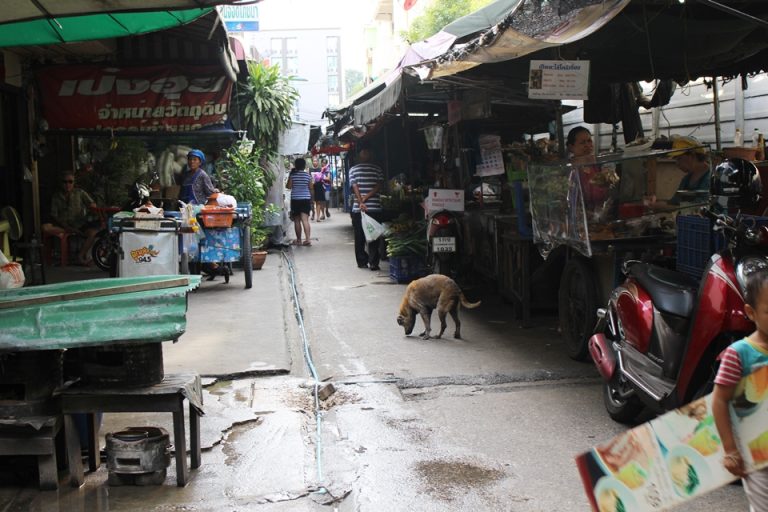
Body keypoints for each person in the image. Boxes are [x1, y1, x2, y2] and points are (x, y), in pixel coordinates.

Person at [712, 264, 768, 511]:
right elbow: (719, 400)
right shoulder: (739, 354)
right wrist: (730, 450)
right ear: (751, 312)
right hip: (758, 456)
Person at [43, 171, 99, 265]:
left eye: (70, 182)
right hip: (63, 225)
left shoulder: (80, 192)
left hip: (79, 224)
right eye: (65, 182)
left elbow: (92, 204)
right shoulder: (56, 196)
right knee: (45, 227)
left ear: (74, 183)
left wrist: (92, 208)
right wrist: (66, 226)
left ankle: (81, 256)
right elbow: (54, 215)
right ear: (61, 183)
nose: (67, 184)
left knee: (93, 233)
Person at [349, 148, 385, 270]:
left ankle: (362, 261)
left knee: (359, 236)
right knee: (373, 235)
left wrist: (361, 201)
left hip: (358, 209)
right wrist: (365, 198)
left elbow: (355, 187)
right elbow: (378, 186)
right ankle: (373, 262)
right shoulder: (378, 169)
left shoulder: (353, 170)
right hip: (374, 207)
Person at [567, 126, 609, 210]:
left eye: (589, 141)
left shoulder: (597, 166)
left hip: (600, 211)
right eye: (582, 142)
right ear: (571, 147)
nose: (587, 145)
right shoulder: (571, 170)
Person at [286, 158, 312, 246]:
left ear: (296, 165)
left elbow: (288, 186)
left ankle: (299, 240)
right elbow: (311, 187)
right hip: (306, 199)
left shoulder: (293, 175)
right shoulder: (307, 175)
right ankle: (308, 239)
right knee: (305, 220)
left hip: (295, 199)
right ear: (304, 166)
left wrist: (290, 176)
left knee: (297, 220)